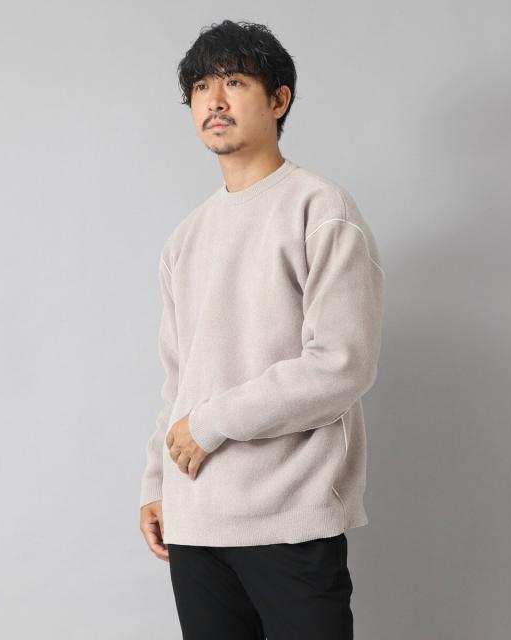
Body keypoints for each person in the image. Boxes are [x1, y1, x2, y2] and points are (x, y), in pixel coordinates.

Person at [138, 19, 385, 640]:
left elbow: (340, 365)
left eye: (234, 82)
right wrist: (156, 484)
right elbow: (178, 380)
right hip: (195, 521)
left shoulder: (320, 210)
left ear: (279, 99)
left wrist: (212, 423)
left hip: (288, 516)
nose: (214, 101)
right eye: (200, 87)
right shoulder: (185, 238)